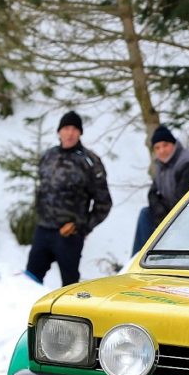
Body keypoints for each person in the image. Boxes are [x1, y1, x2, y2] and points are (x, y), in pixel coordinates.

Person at [24, 110, 112, 286]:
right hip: (43, 230)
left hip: (69, 236)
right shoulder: (48, 156)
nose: (70, 133)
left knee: (70, 288)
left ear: (80, 132)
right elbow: (41, 189)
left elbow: (104, 203)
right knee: (29, 282)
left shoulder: (89, 161)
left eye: (74, 129)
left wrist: (82, 227)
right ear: (59, 132)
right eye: (66, 128)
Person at [131, 124, 189, 254]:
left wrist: (164, 215)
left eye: (165, 145)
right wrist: (158, 210)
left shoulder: (187, 163)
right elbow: (152, 193)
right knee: (145, 214)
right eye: (157, 148)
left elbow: (183, 199)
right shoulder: (160, 165)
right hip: (167, 212)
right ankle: (137, 257)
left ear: (173, 144)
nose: (161, 150)